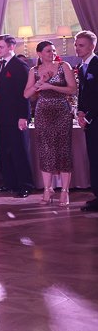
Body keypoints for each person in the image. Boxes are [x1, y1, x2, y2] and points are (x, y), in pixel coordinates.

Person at [24, 40, 77, 206]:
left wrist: (51, 87)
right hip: (43, 112)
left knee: (63, 149)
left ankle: (65, 191)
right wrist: (40, 83)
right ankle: (47, 189)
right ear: (39, 54)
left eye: (53, 50)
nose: (52, 53)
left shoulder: (64, 66)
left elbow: (72, 89)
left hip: (62, 110)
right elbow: (26, 94)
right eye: (48, 51)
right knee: (45, 150)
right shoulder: (34, 70)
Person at [0, 34, 33, 197]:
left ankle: (25, 185)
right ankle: (9, 182)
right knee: (4, 151)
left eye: (1, 47)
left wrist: (23, 116)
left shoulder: (20, 65)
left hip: (16, 117)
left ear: (11, 47)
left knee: (19, 151)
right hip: (1, 116)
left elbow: (24, 94)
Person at [74, 31, 98, 212]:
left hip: (95, 119)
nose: (77, 48)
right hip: (90, 121)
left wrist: (88, 116)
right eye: (76, 45)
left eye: (81, 45)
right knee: (94, 158)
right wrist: (80, 111)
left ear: (92, 46)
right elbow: (82, 93)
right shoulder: (82, 67)